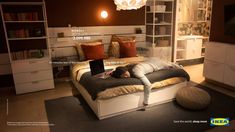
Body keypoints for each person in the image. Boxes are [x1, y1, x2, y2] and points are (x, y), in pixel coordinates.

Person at [111, 57, 181, 106]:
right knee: (170, 64)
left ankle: (179, 66)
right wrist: (111, 73)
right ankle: (176, 65)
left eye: (125, 74)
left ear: (125, 70)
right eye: (123, 77)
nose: (126, 77)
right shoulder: (129, 67)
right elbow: (120, 69)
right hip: (151, 61)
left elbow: (148, 84)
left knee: (174, 67)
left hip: (157, 64)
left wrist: (146, 101)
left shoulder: (136, 71)